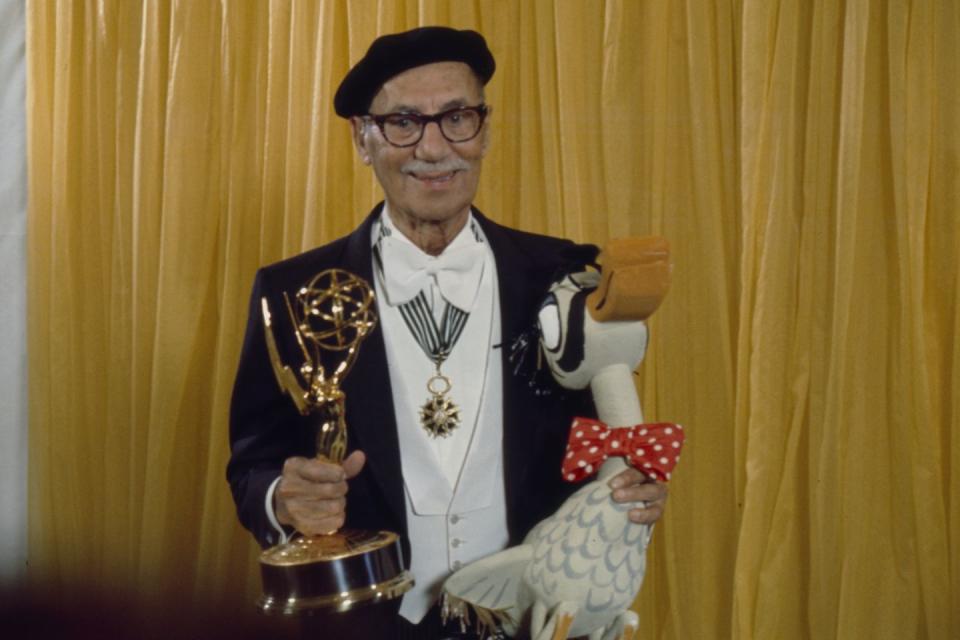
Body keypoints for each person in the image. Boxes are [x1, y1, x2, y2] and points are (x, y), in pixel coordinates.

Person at [227, 26, 668, 639]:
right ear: (364, 138)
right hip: (369, 622)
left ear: (484, 130)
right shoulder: (295, 290)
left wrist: (630, 491)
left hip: (533, 618)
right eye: (404, 122)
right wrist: (282, 497)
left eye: (456, 117)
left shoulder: (564, 275)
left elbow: (607, 438)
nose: (434, 149)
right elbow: (251, 463)